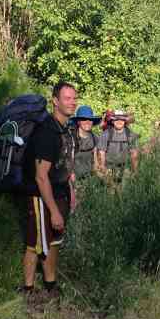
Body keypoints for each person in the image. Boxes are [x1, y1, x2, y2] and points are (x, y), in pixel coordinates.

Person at [19, 81, 77, 304]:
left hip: (59, 192)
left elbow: (64, 165)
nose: (72, 102)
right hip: (40, 194)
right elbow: (40, 176)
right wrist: (53, 211)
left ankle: (50, 285)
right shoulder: (46, 131)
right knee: (35, 242)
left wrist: (71, 192)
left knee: (53, 241)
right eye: (67, 98)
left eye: (74, 98)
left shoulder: (65, 129)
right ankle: (27, 289)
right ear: (55, 101)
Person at [96, 109, 139, 184]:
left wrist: (135, 171)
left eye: (122, 120)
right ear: (112, 121)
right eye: (116, 119)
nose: (119, 121)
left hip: (125, 167)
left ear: (125, 121)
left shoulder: (130, 135)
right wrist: (103, 168)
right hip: (109, 167)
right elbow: (101, 153)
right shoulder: (106, 134)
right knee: (110, 191)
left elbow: (134, 155)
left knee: (124, 192)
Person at [70, 105, 101, 182]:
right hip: (73, 179)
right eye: (84, 119)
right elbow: (68, 164)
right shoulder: (71, 138)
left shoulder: (95, 138)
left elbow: (96, 163)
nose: (87, 122)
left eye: (90, 120)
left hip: (89, 178)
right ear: (78, 122)